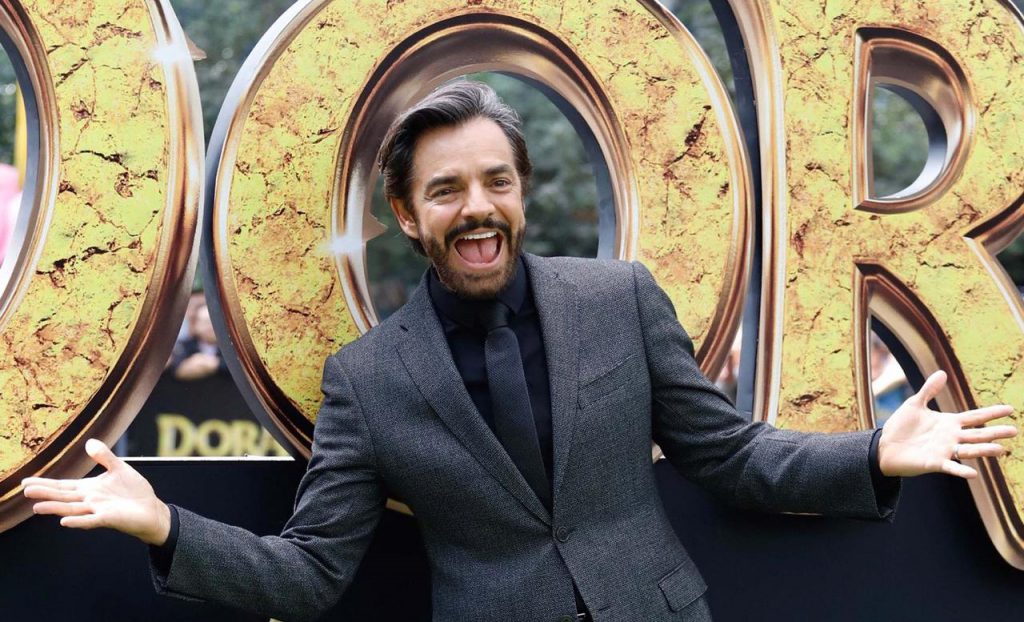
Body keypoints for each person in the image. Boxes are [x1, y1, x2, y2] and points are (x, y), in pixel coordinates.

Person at [22, 81, 1017, 622]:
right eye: (447, 189)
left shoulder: (619, 298)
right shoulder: (367, 381)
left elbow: (729, 454)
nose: (478, 207)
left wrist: (872, 451)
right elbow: (312, 571)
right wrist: (165, 526)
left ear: (520, 191)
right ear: (407, 213)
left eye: (496, 181)